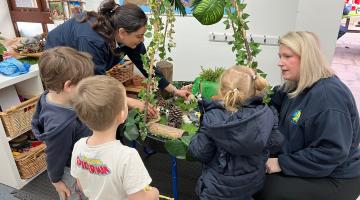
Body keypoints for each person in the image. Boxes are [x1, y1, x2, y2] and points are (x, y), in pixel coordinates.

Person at [254, 31, 360, 200]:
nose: (280, 63)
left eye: (287, 56)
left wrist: (281, 163)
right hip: (307, 165)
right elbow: (272, 102)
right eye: (280, 56)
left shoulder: (329, 97)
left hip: (336, 178)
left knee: (266, 188)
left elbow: (332, 153)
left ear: (307, 58)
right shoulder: (295, 85)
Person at [45, 0, 190, 114]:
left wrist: (175, 90)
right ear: (122, 33)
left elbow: (147, 67)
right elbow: (95, 83)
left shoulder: (128, 37)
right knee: (77, 102)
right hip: (59, 60)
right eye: (139, 36)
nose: (142, 40)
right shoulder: (93, 41)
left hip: (85, 59)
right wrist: (131, 102)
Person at [188, 66, 283, 200]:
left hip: (217, 190)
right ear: (255, 88)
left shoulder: (214, 118)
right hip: (251, 184)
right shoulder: (266, 114)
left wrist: (200, 131)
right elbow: (276, 142)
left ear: (221, 91)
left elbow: (200, 152)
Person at [70, 75, 159, 200]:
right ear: (122, 115)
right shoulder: (127, 156)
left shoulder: (78, 146)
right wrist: (154, 193)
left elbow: (80, 183)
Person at [32, 47, 94, 200]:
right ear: (68, 86)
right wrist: (56, 180)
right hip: (71, 172)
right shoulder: (61, 126)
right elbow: (54, 156)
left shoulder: (50, 96)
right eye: (84, 84)